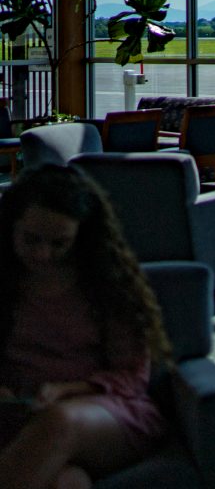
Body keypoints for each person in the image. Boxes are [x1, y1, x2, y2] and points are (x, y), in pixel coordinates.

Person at [0, 164, 171, 489]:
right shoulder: (6, 279)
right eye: (31, 240)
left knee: (59, 422)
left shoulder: (105, 283)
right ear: (11, 228)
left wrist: (65, 391)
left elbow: (132, 378)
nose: (43, 254)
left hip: (104, 411)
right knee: (67, 482)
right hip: (21, 411)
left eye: (59, 243)